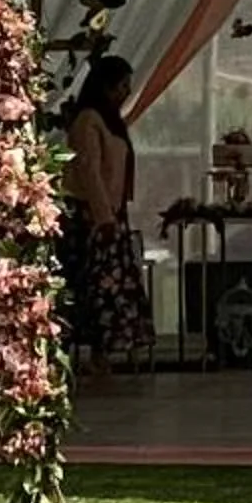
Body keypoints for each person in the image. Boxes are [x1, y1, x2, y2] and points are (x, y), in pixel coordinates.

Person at [61, 57, 151, 372]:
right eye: (122, 85)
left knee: (109, 285)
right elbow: (89, 172)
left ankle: (104, 352)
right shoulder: (88, 120)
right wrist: (103, 217)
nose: (126, 91)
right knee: (92, 284)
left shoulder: (109, 120)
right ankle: (86, 353)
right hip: (93, 217)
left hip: (111, 215)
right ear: (105, 86)